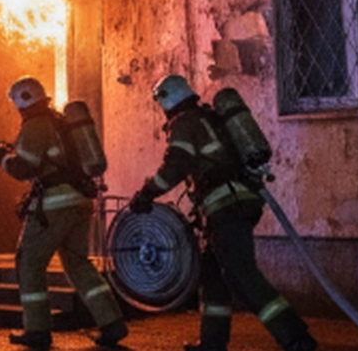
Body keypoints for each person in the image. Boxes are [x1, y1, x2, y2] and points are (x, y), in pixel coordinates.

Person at [128, 74, 318, 351]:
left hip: (225, 206)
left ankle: (296, 338)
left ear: (167, 99)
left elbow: (176, 165)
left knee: (243, 277)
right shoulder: (208, 117)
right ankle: (212, 343)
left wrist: (146, 193)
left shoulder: (184, 123)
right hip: (233, 202)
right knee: (213, 277)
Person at [0, 76, 127, 350]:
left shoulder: (35, 125)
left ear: (21, 101)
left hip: (55, 206)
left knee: (29, 262)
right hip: (80, 202)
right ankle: (112, 323)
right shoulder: (59, 121)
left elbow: (24, 169)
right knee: (78, 264)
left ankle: (37, 331)